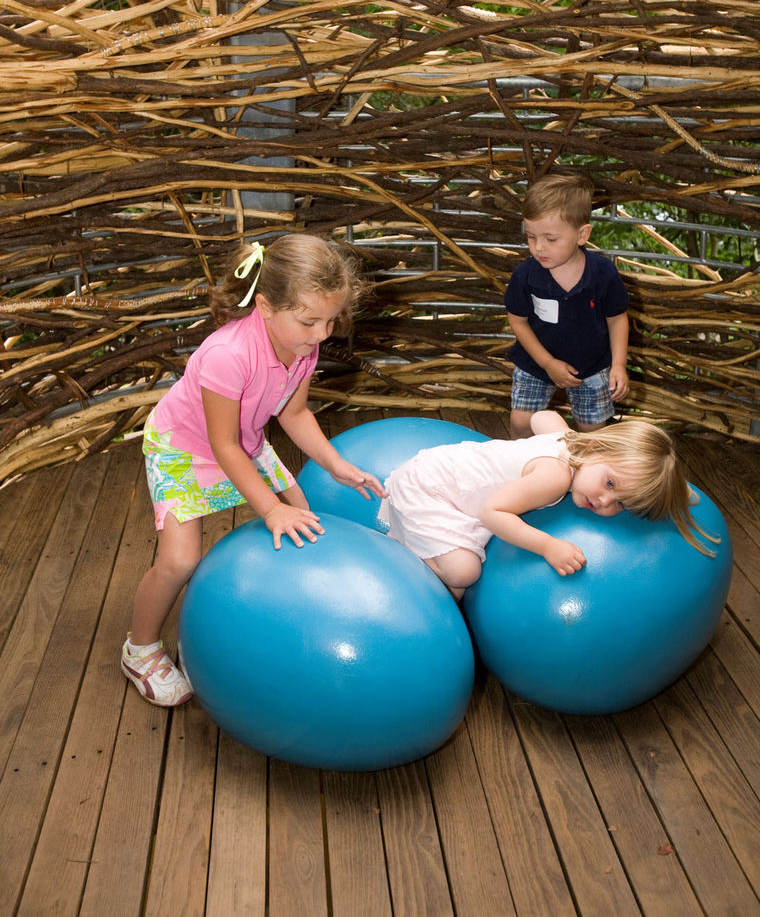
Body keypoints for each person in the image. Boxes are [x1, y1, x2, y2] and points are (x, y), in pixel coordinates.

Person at [122, 234, 386, 706]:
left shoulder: (302, 346)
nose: (322, 334)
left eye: (330, 320)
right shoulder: (228, 355)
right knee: (181, 560)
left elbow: (295, 414)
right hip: (184, 449)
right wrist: (269, 510)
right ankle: (139, 649)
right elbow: (222, 446)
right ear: (265, 306)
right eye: (309, 320)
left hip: (241, 442)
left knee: (304, 514)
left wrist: (336, 465)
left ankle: (297, 621)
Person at [378, 411, 717, 600]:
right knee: (463, 574)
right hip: (431, 489)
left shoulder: (570, 441)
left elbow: (543, 416)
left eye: (621, 503)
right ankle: (403, 558)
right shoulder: (554, 476)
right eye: (610, 483)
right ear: (597, 446)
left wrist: (670, 488)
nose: (604, 501)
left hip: (446, 470)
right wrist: (548, 546)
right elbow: (492, 513)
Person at [505, 173, 630, 439]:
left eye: (551, 239)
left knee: (593, 434)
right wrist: (548, 363)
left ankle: (586, 476)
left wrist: (618, 364)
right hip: (535, 364)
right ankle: (519, 466)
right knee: (521, 423)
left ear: (582, 234)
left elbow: (617, 319)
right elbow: (517, 320)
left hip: (592, 366)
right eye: (531, 236)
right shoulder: (525, 275)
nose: (538, 248)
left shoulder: (603, 274)